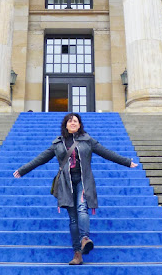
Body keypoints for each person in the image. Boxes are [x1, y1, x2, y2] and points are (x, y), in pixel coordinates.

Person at [13, 112, 138, 266]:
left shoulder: (88, 140)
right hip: (66, 183)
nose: (73, 123)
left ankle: (85, 238)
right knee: (73, 219)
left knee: (82, 208)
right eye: (70, 121)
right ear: (65, 124)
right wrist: (23, 170)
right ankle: (77, 253)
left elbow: (107, 153)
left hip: (83, 181)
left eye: (76, 121)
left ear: (80, 125)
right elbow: (40, 158)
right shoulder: (57, 144)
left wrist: (126, 162)